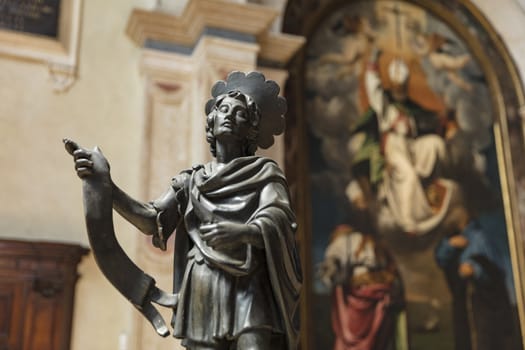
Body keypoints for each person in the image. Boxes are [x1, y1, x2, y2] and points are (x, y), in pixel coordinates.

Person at [67, 72, 302, 350]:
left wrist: (244, 232)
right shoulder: (192, 180)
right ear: (211, 123)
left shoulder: (265, 173)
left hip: (250, 284)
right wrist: (107, 186)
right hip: (203, 281)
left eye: (240, 114)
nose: (229, 115)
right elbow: (151, 219)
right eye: (223, 109)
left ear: (251, 129)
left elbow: (278, 215)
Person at [363, 48, 453, 235]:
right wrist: (373, 63)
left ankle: (433, 182)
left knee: (435, 144)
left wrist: (442, 116)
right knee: (409, 176)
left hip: (411, 144)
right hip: (394, 146)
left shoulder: (411, 106)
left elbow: (430, 120)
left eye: (402, 86)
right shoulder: (385, 102)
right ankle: (408, 220)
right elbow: (373, 89)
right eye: (397, 86)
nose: (399, 90)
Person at [318, 223, 406, 350]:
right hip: (363, 293)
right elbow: (333, 263)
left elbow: (391, 270)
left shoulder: (375, 245)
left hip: (377, 297)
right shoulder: (346, 242)